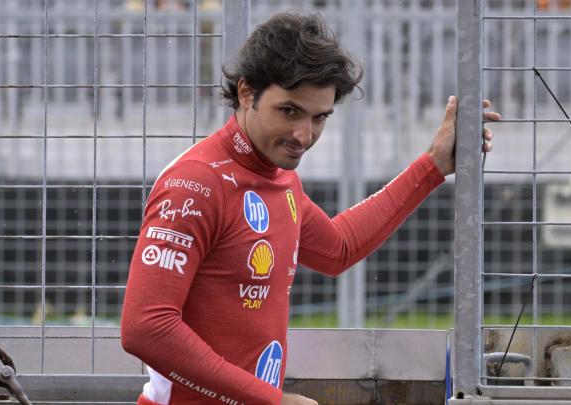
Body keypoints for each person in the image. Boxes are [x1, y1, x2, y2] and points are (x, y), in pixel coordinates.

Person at [121, 11, 499, 405]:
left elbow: (338, 248)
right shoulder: (196, 183)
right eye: (289, 111)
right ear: (247, 93)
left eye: (320, 118)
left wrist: (433, 166)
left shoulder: (277, 175)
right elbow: (145, 327)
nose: (304, 135)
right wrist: (273, 400)